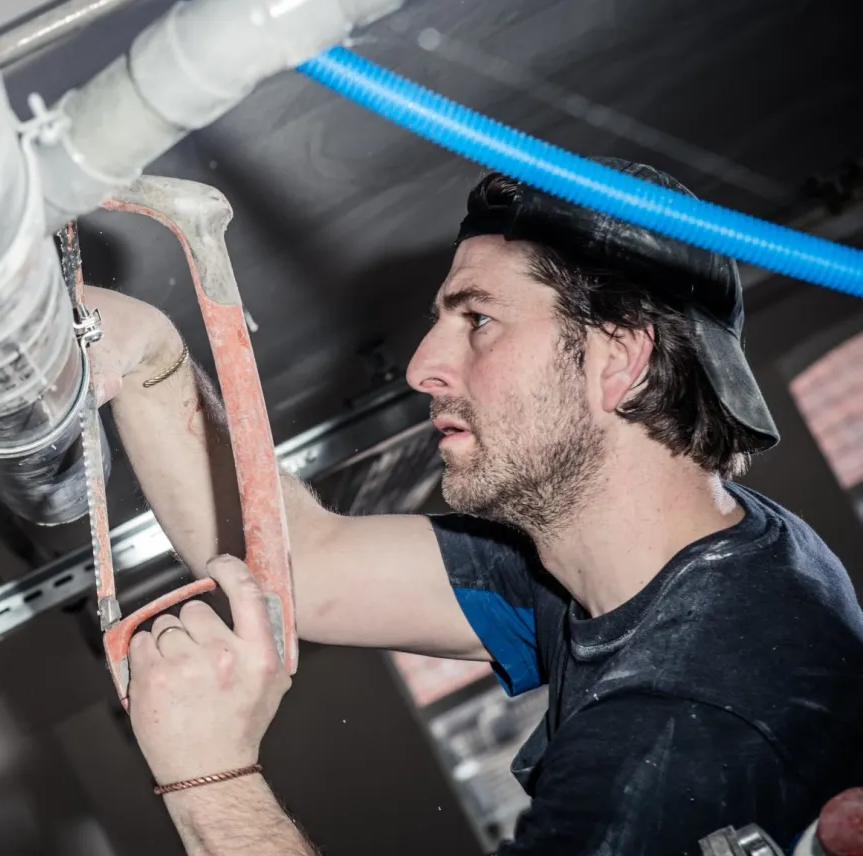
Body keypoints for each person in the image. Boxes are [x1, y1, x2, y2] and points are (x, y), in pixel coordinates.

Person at [85, 159, 863, 855]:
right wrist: (152, 358)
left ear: (617, 361)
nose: (422, 367)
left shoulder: (678, 733)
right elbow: (302, 566)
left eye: (478, 320)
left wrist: (209, 777)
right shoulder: (648, 562)